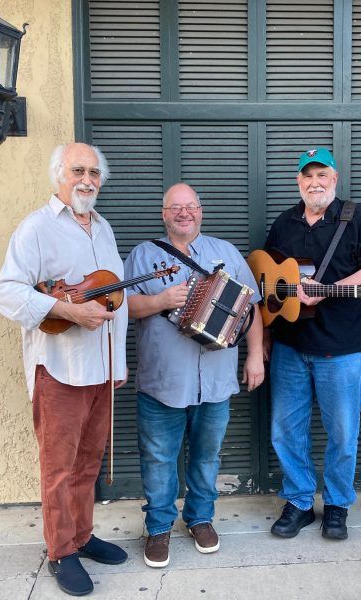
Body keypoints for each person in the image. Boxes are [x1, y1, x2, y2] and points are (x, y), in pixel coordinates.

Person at [0, 143, 129, 596]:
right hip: (58, 369)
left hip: (100, 370)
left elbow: (117, 302)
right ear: (59, 176)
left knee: (89, 461)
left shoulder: (104, 228)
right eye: (77, 170)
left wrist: (120, 362)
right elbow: (7, 294)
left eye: (94, 172)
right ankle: (60, 551)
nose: (87, 179)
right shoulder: (35, 228)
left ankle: (83, 536)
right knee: (58, 468)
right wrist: (69, 312)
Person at [125, 183, 265, 568]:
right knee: (158, 459)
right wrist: (161, 301)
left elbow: (251, 309)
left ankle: (200, 519)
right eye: (175, 207)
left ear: (201, 211)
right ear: (164, 214)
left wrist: (255, 356)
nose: (183, 213)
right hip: (162, 381)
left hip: (217, 381)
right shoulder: (143, 255)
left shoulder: (226, 253)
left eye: (190, 207)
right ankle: (158, 528)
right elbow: (121, 307)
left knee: (206, 457)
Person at [264, 148, 361, 540]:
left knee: (343, 433)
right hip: (289, 347)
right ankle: (300, 501)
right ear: (298, 181)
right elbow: (267, 279)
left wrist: (327, 290)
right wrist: (265, 335)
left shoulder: (358, 218)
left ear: (334, 178)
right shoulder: (284, 222)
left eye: (322, 175)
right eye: (307, 176)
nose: (314, 182)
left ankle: (336, 505)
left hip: (343, 349)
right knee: (286, 431)